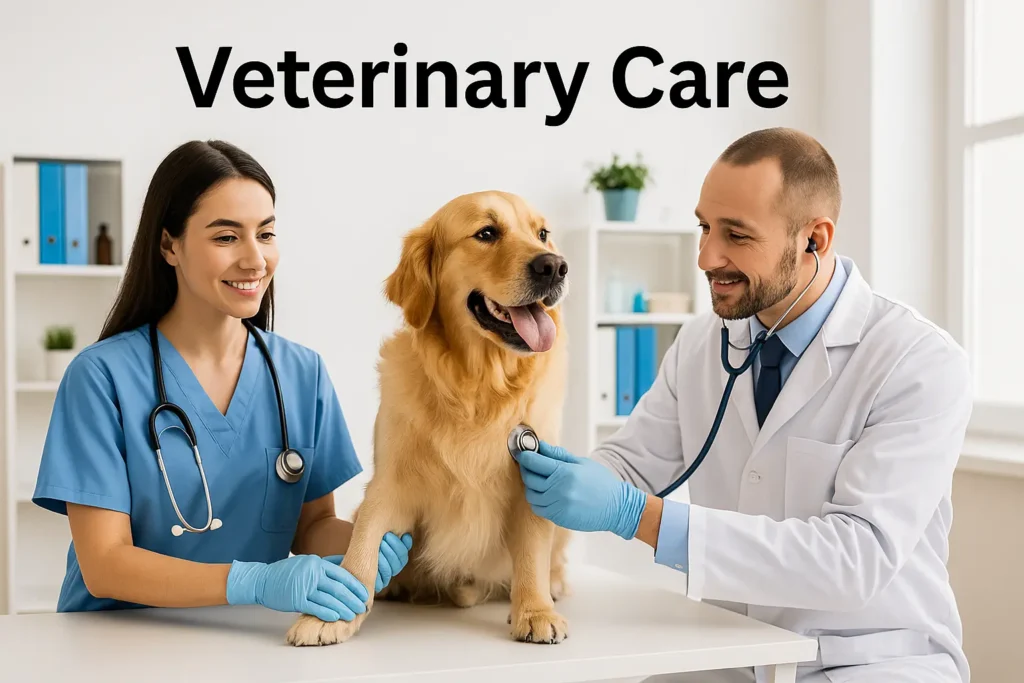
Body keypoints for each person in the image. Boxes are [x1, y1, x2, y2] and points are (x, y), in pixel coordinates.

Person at [517, 128, 972, 683]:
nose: (707, 256)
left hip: (873, 658)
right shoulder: (703, 342)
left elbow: (855, 558)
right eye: (704, 227)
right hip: (735, 652)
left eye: (736, 235)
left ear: (815, 240)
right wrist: (544, 473)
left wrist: (640, 517)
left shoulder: (916, 361)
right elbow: (632, 465)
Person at [33, 139, 412, 623]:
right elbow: (104, 565)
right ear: (170, 245)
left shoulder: (301, 374)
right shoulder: (101, 377)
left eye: (267, 233)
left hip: (247, 644)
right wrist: (251, 581)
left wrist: (370, 547)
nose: (255, 260)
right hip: (116, 644)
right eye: (226, 237)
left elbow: (311, 526)